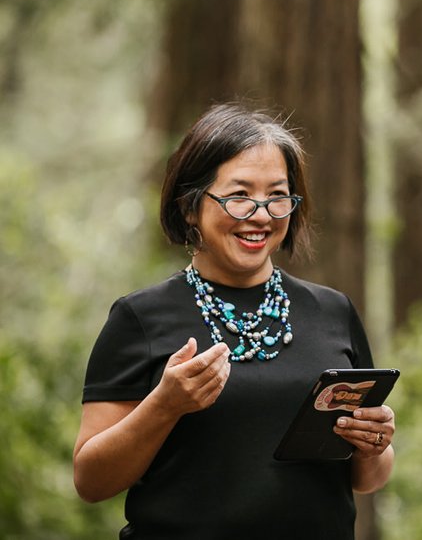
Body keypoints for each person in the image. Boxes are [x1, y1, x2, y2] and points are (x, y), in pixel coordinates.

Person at [73, 103, 394, 539]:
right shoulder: (140, 318)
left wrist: (372, 443)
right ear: (190, 207)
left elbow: (367, 479)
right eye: (239, 195)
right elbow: (91, 482)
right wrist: (165, 405)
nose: (261, 215)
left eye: (277, 196)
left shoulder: (333, 311)